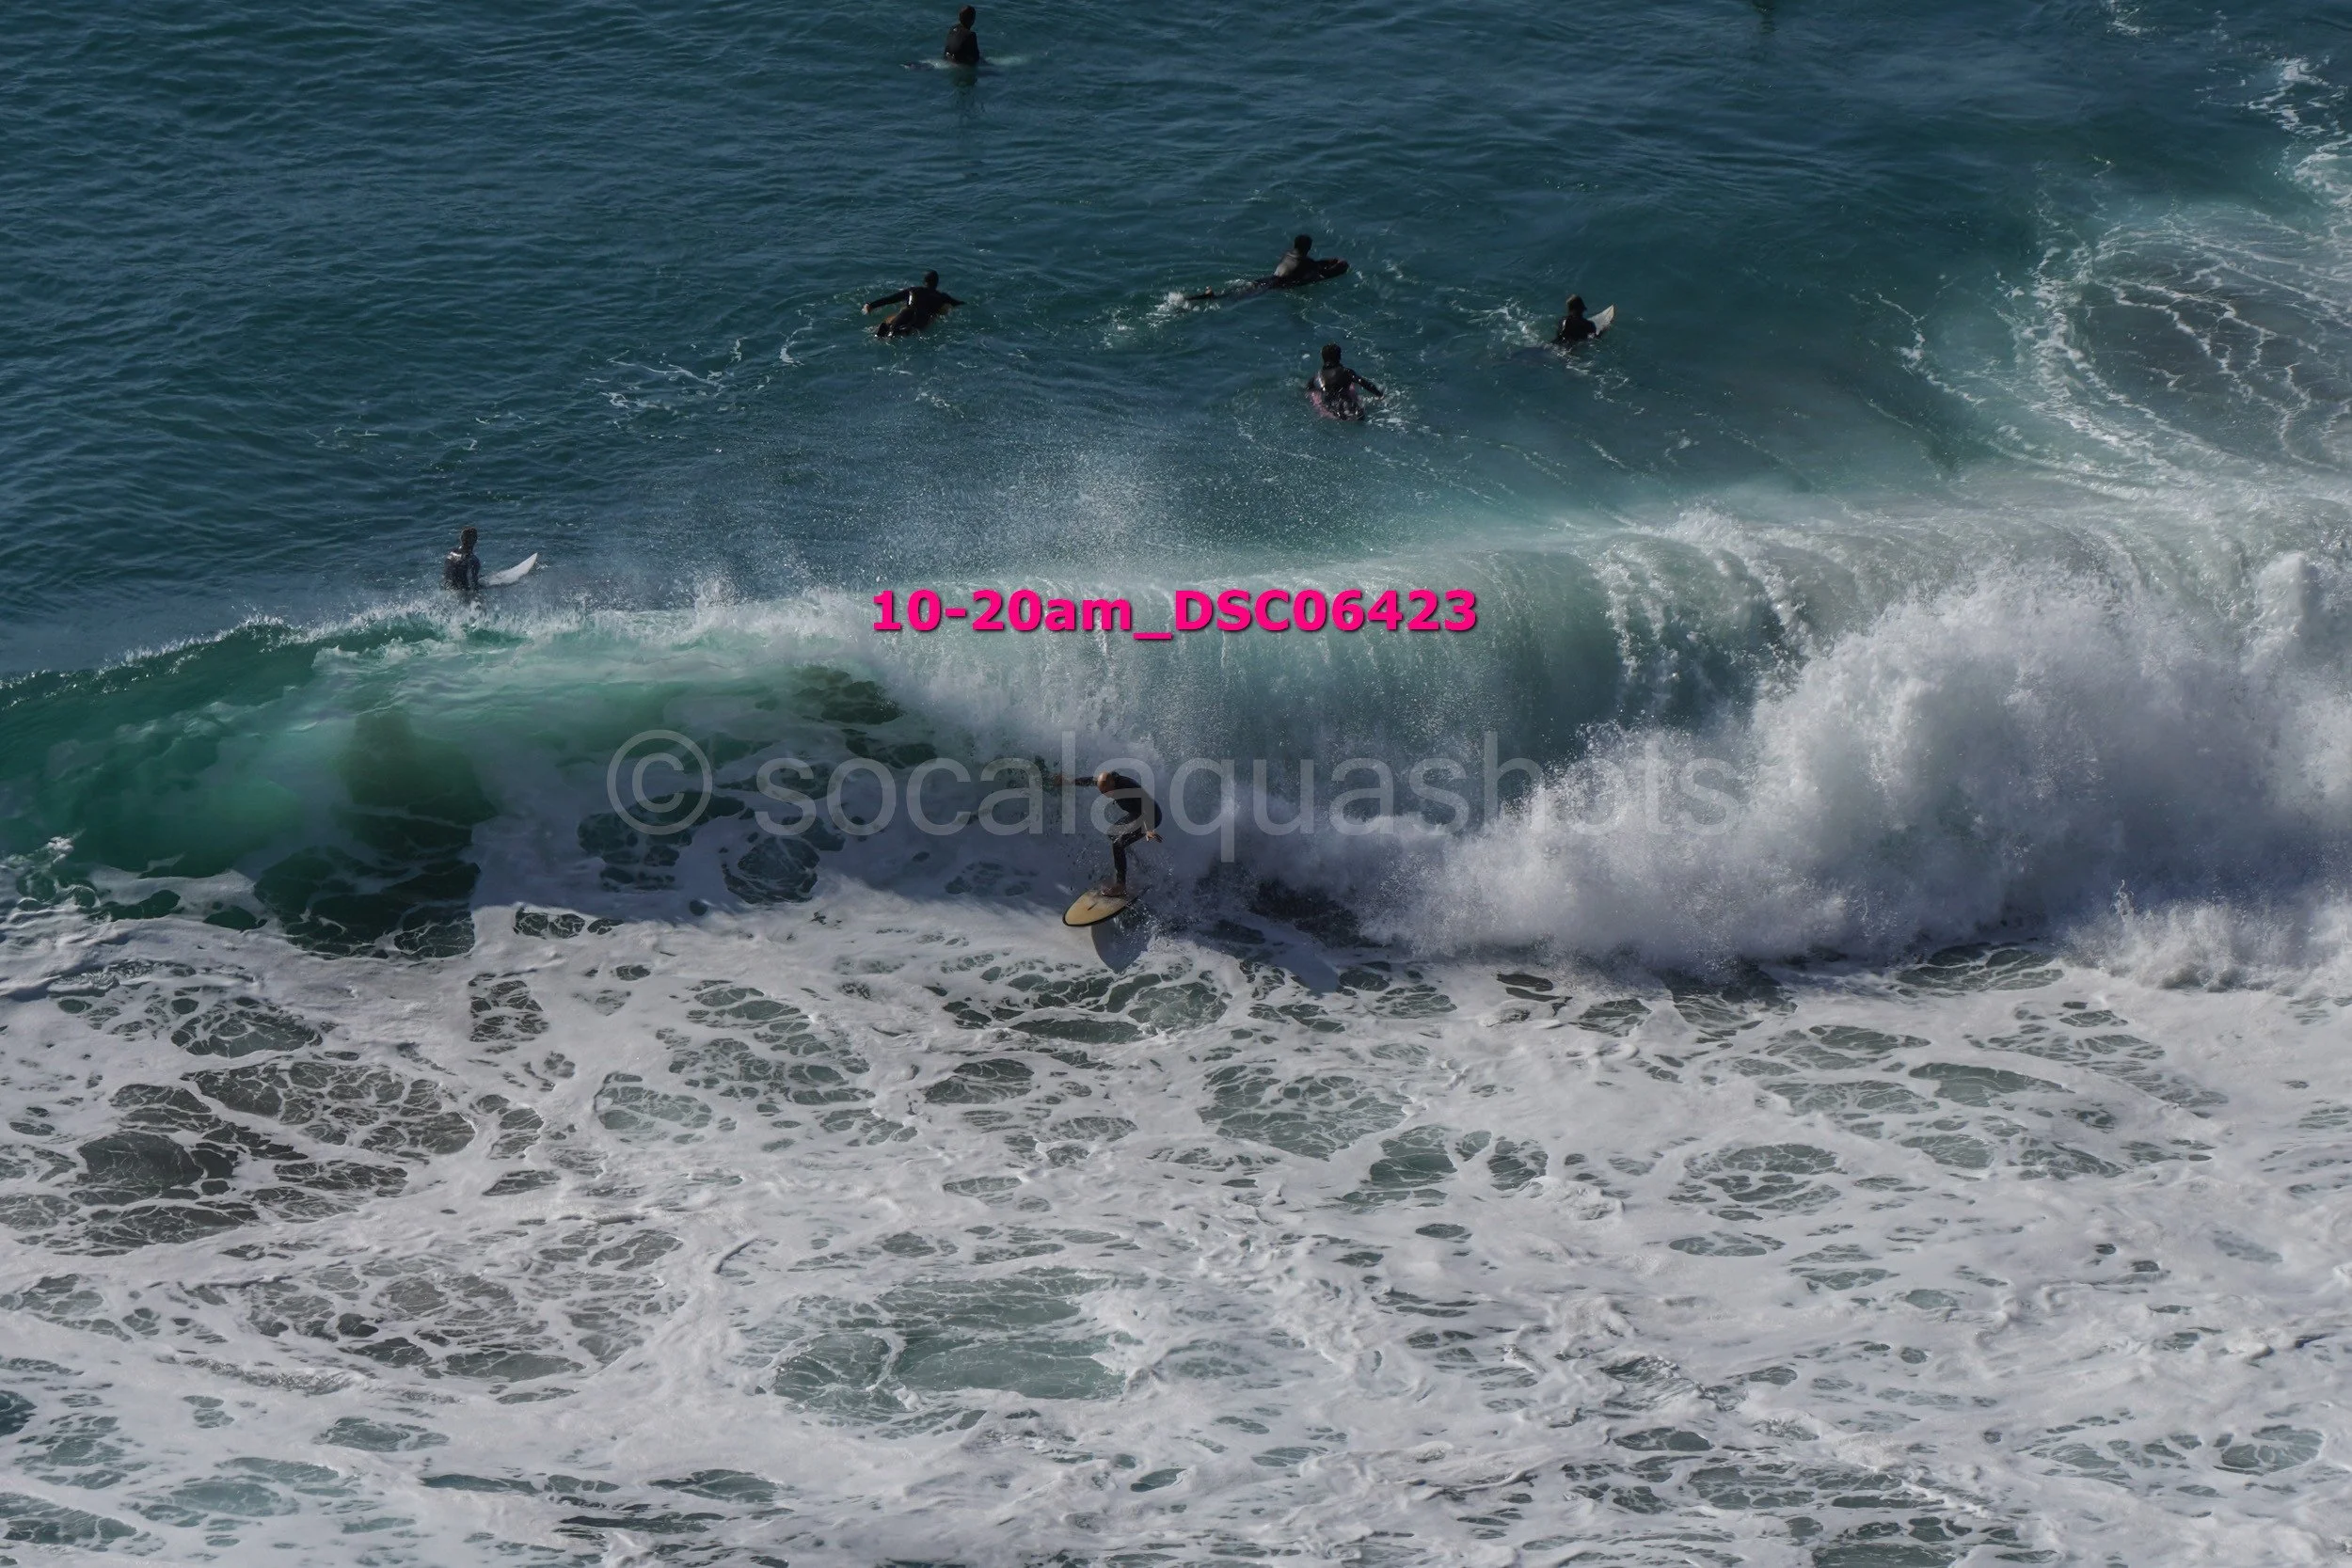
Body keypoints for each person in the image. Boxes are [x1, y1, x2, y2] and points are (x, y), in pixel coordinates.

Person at [1056, 769, 1162, 895]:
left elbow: (1147, 808)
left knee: (1118, 843)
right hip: (1136, 814)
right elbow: (1090, 780)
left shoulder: (1129, 787)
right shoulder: (1106, 782)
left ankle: (1120, 886)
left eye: (1107, 792)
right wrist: (1069, 781)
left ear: (1113, 784)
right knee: (1112, 834)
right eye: (1102, 792)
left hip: (1151, 816)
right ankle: (1132, 862)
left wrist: (1149, 830)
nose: (1105, 795)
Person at [864, 271, 964, 338]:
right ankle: (902, 331)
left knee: (892, 326)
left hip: (907, 312)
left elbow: (891, 299)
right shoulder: (942, 297)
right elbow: (957, 303)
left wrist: (871, 305)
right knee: (910, 330)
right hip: (923, 318)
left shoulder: (912, 290)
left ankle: (886, 330)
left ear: (924, 282)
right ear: (937, 283)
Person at [1308, 342, 1383, 418]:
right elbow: (1363, 383)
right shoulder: (1346, 372)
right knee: (1359, 415)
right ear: (1339, 357)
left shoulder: (1317, 377)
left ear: (1323, 358)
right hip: (1345, 401)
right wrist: (1379, 394)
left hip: (1328, 404)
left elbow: (1308, 390)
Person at [443, 526, 482, 592]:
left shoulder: (451, 554)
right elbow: (474, 584)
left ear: (461, 538)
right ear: (475, 540)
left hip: (447, 589)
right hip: (462, 593)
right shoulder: (472, 559)